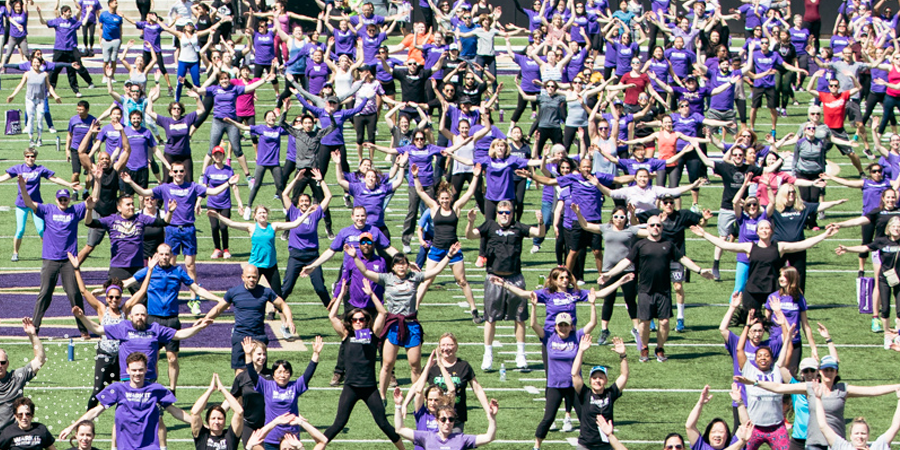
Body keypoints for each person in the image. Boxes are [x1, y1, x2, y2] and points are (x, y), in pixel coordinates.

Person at [346, 241, 458, 401]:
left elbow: (436, 271)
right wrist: (355, 256)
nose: (401, 266)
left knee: (415, 365)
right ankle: (382, 397)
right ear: (393, 267)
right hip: (393, 325)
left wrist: (449, 255)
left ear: (408, 265)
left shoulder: (415, 277)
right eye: (398, 264)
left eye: (404, 263)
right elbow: (365, 271)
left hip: (411, 324)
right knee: (387, 364)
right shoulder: (387, 278)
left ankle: (418, 399)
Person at [121, 162, 237, 314]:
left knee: (190, 266)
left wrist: (228, 183)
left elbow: (213, 191)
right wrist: (130, 182)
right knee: (170, 265)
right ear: (171, 173)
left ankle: (194, 300)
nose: (178, 174)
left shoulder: (192, 186)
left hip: (188, 229)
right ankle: (170, 296)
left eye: (181, 171)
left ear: (185, 172)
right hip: (172, 229)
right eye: (175, 171)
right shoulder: (165, 188)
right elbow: (143, 192)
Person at [601, 214, 714, 362]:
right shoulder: (640, 245)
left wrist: (699, 270)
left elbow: (683, 259)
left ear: (662, 228)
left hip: (664, 291)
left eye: (658, 225)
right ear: (647, 227)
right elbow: (626, 262)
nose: (655, 227)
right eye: (652, 225)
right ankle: (644, 347)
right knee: (644, 322)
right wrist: (609, 274)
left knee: (664, 322)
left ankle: (660, 348)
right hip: (645, 290)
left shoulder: (668, 244)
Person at [113, 243, 223, 392]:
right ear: (156, 255)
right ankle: (153, 387)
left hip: (171, 319)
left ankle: (172, 390)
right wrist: (106, 290)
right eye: (161, 254)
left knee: (172, 358)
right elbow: (128, 282)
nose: (164, 257)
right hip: (152, 319)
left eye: (167, 254)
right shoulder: (149, 270)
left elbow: (196, 289)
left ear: (171, 255)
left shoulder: (178, 271)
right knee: (153, 358)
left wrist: (218, 299)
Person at [318, 286, 406, 450]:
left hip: (369, 388)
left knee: (383, 423)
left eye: (362, 319)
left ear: (366, 321)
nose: (358, 322)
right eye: (355, 320)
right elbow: (332, 316)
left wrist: (372, 294)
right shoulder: (346, 335)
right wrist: (341, 294)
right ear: (350, 322)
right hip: (351, 387)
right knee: (339, 423)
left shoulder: (373, 335)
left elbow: (382, 313)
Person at [465, 200, 545, 370]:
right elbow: (470, 236)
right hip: (494, 277)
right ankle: (488, 354)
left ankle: (521, 354)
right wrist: (470, 222)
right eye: (501, 212)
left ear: (512, 214)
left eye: (507, 212)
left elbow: (539, 233)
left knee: (519, 317)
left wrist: (541, 222)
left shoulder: (518, 227)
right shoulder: (489, 226)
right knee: (490, 318)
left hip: (515, 277)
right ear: (496, 214)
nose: (504, 215)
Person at [692, 222, 837, 315]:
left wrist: (824, 235)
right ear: (757, 232)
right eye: (761, 228)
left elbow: (803, 244)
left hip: (772, 290)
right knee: (751, 324)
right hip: (753, 290)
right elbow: (725, 245)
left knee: (774, 324)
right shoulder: (750, 247)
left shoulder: (779, 246)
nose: (764, 230)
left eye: (767, 228)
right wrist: (704, 234)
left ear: (771, 231)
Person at [68, 252, 151, 410]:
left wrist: (150, 271)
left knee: (126, 391)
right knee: (97, 392)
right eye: (111, 297)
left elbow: (141, 292)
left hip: (121, 358)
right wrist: (76, 269)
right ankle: (87, 420)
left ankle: (127, 417)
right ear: (106, 297)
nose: (114, 300)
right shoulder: (101, 309)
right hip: (104, 355)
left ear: (121, 298)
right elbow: (84, 291)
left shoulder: (125, 310)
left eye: (117, 297)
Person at [58, 352, 191, 450]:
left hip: (150, 447)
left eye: (140, 370)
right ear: (127, 370)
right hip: (125, 447)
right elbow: (95, 411)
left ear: (146, 369)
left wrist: (195, 422)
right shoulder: (118, 389)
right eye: (134, 370)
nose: (137, 373)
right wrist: (72, 427)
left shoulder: (156, 389)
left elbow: (175, 411)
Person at [17, 177, 89, 337]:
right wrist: (22, 187)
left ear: (69, 199)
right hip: (50, 258)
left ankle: (84, 330)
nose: (63, 201)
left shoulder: (75, 211)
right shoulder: (48, 209)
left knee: (74, 293)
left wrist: (96, 180)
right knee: (44, 294)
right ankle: (34, 328)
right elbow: (29, 203)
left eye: (65, 199)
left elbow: (92, 201)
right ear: (56, 200)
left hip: (69, 260)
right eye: (61, 199)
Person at [411, 164, 483, 323]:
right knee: (427, 280)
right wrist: (415, 176)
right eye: (442, 198)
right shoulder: (434, 208)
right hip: (436, 249)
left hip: (454, 249)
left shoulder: (456, 208)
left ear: (450, 198)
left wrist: (476, 176)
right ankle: (413, 310)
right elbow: (420, 192)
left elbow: (470, 192)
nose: (444, 201)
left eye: (447, 198)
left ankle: (474, 310)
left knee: (462, 281)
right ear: (438, 199)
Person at [207, 204, 314, 300]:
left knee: (278, 295)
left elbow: (294, 224)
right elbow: (231, 223)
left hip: (271, 266)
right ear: (255, 216)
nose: (262, 215)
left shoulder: (273, 226)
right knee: (248, 292)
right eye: (260, 213)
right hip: (255, 265)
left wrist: (307, 213)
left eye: (264, 212)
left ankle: (278, 315)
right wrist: (218, 216)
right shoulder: (251, 227)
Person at [572, 204, 644, 342]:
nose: (619, 219)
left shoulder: (630, 229)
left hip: (627, 269)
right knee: (608, 300)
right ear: (612, 217)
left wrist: (635, 215)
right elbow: (586, 225)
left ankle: (636, 328)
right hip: (608, 270)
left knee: (630, 299)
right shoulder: (606, 228)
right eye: (616, 216)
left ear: (626, 218)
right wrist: (578, 213)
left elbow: (645, 231)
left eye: (622, 217)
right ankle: (604, 330)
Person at [205, 264, 297, 371]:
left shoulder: (265, 292)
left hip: (259, 336)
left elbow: (282, 305)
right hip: (240, 336)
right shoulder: (233, 292)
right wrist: (205, 319)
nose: (251, 279)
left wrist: (289, 320)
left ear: (258, 277)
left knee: (259, 373)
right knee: (240, 373)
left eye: (254, 277)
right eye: (249, 277)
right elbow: (218, 308)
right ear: (243, 277)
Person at [245, 336, 324, 450]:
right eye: (279, 372)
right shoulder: (267, 385)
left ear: (290, 374)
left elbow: (308, 374)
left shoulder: (295, 386)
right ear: (273, 375)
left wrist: (316, 354)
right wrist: (248, 355)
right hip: (271, 438)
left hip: (290, 439)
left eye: (286, 372)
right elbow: (252, 374)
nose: (282, 375)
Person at [0, 149, 78, 262]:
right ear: (24, 157)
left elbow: (54, 178)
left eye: (32, 156)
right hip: (21, 204)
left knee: (41, 229)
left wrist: (69, 184)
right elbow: (4, 177)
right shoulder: (18, 168)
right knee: (20, 230)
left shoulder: (39, 169)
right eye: (27, 156)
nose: (30, 158)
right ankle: (15, 253)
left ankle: (48, 251)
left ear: (35, 157)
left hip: (36, 204)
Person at [279, 168, 333, 305]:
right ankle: (274, 310)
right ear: (298, 204)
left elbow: (328, 197)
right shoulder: (293, 212)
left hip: (312, 256)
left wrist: (321, 180)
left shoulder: (315, 214)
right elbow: (284, 194)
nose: (304, 203)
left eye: (306, 201)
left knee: (320, 288)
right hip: (296, 256)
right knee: (287, 288)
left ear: (310, 203)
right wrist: (296, 180)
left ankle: (332, 311)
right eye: (302, 201)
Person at [570, 333, 629, 450]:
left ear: (606, 380)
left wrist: (623, 355)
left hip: (605, 445)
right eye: (594, 378)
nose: (597, 380)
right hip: (585, 445)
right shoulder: (585, 394)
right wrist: (581, 351)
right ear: (590, 380)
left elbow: (624, 375)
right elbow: (574, 374)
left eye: (601, 378)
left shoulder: (610, 394)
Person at [811, 382, 900, 450]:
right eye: (856, 433)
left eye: (863, 433)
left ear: (868, 435)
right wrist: (818, 398)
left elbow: (895, 426)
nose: (859, 437)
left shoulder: (877, 447)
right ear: (850, 436)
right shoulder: (843, 447)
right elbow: (823, 426)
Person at [394, 396, 499, 449]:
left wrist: (492, 417)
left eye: (451, 419)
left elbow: (489, 437)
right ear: (437, 420)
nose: (447, 422)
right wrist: (398, 406)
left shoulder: (461, 439)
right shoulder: (427, 437)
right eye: (443, 419)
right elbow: (399, 429)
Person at [5, 56, 63, 148]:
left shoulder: (44, 74)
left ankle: (39, 138)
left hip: (41, 99)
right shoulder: (27, 74)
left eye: (38, 62)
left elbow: (49, 86)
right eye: (34, 62)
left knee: (40, 119)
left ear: (41, 63)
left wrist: (55, 96)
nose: (36, 64)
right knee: (30, 119)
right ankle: (31, 139)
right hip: (30, 100)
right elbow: (20, 85)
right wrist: (13, 95)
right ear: (31, 63)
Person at [39, 4, 95, 98]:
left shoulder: (73, 21)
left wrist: (88, 12)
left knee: (72, 70)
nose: (70, 13)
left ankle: (76, 90)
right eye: (68, 12)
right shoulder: (57, 21)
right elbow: (43, 22)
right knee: (54, 70)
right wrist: (39, 13)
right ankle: (50, 90)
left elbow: (83, 23)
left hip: (71, 49)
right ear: (63, 13)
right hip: (59, 49)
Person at [0, 318, 46, 431]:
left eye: (2, 362)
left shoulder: (16, 377)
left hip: (12, 434)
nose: (0, 366)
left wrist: (33, 335)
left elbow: (40, 360)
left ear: (7, 364)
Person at [202, 146, 244, 259]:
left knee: (224, 227)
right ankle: (217, 248)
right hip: (212, 203)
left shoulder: (228, 170)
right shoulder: (208, 170)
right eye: (215, 154)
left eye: (220, 154)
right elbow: (204, 187)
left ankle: (225, 249)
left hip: (225, 203)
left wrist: (239, 203)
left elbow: (234, 187)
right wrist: (198, 202)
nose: (218, 157)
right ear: (212, 156)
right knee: (214, 226)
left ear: (223, 156)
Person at [189, 373, 244, 450]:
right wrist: (210, 390)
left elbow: (239, 412)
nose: (216, 422)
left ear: (225, 420)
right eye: (213, 418)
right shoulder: (203, 436)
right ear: (207, 420)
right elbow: (194, 412)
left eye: (220, 418)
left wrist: (222, 389)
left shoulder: (230, 436)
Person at [98, 0, 123, 83]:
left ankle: (111, 75)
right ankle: (105, 75)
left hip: (116, 40)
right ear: (110, 4)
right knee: (106, 60)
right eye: (115, 3)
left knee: (114, 60)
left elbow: (120, 28)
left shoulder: (119, 16)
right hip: (106, 40)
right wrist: (100, 38)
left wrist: (120, 39)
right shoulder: (104, 15)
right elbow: (100, 27)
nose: (116, 4)